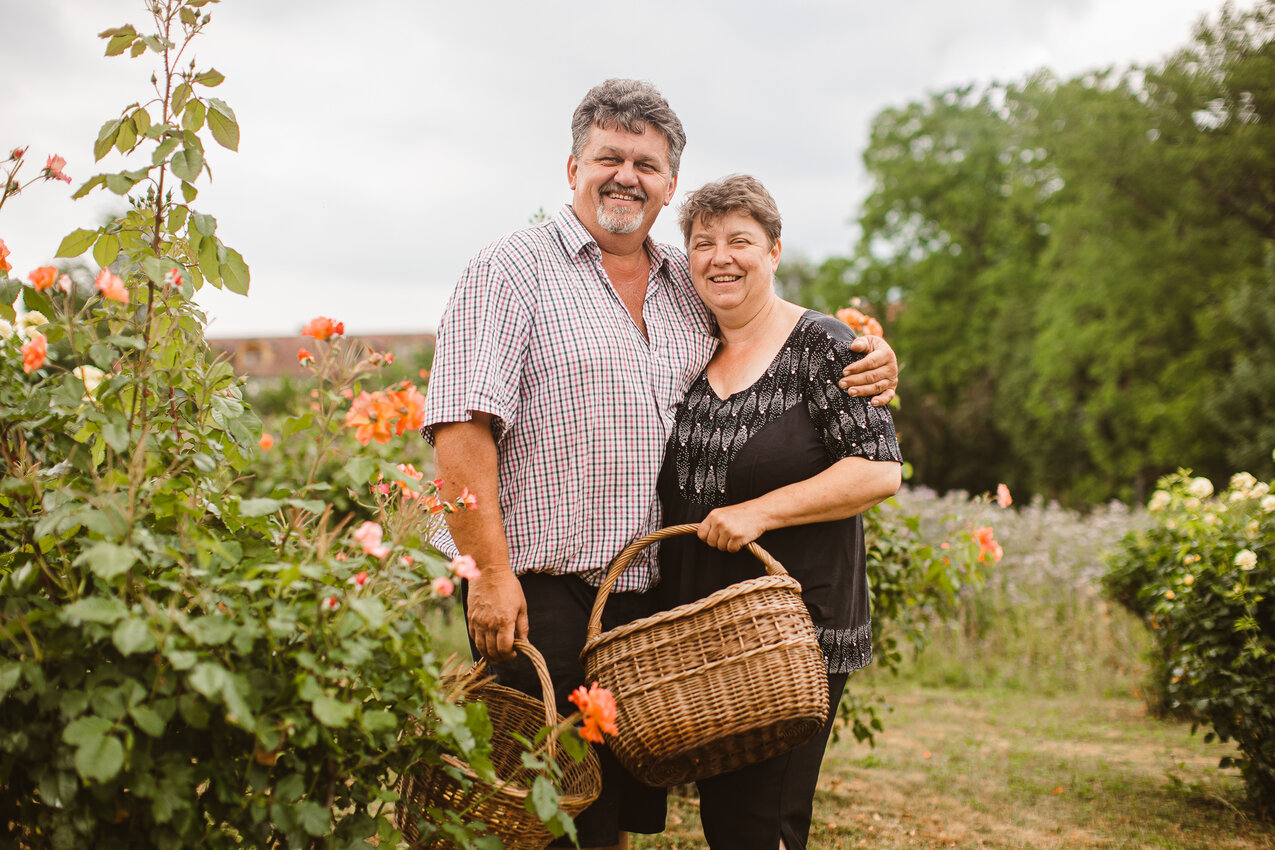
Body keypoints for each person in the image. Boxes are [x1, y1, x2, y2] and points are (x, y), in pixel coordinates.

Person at [421, 80, 899, 850]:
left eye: (645, 164)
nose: (626, 176)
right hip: (538, 589)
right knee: (544, 812)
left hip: (643, 600)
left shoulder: (686, 280)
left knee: (609, 808)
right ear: (572, 168)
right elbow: (459, 425)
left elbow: (770, 332)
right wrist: (492, 575)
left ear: (669, 184)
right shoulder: (509, 270)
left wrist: (867, 356)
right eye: (608, 157)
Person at [655, 174, 903, 850]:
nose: (720, 257)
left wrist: (759, 512)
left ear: (774, 251)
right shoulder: (690, 347)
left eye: (740, 240)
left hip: (795, 630)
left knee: (763, 821)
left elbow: (878, 469)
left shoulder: (823, 347)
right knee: (726, 819)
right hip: (707, 632)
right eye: (703, 243)